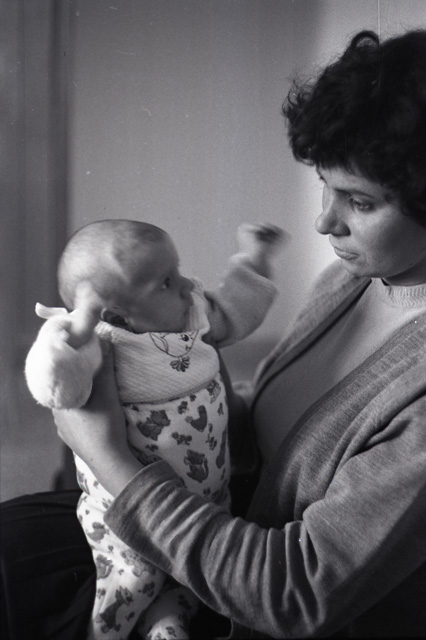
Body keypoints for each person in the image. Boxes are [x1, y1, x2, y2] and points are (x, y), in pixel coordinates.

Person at [52, 29, 426, 638]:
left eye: (359, 202)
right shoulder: (353, 278)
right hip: (203, 523)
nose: (323, 221)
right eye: (326, 184)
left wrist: (108, 454)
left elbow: (292, 594)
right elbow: (282, 426)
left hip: (239, 601)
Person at [25, 219, 282, 640]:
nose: (187, 285)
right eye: (166, 282)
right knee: (137, 578)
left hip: (205, 498)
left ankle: (166, 622)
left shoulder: (193, 313)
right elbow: (60, 387)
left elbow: (238, 308)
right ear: (114, 314)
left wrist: (255, 257)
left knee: (188, 580)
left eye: (176, 271)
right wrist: (80, 327)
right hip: (127, 515)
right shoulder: (100, 342)